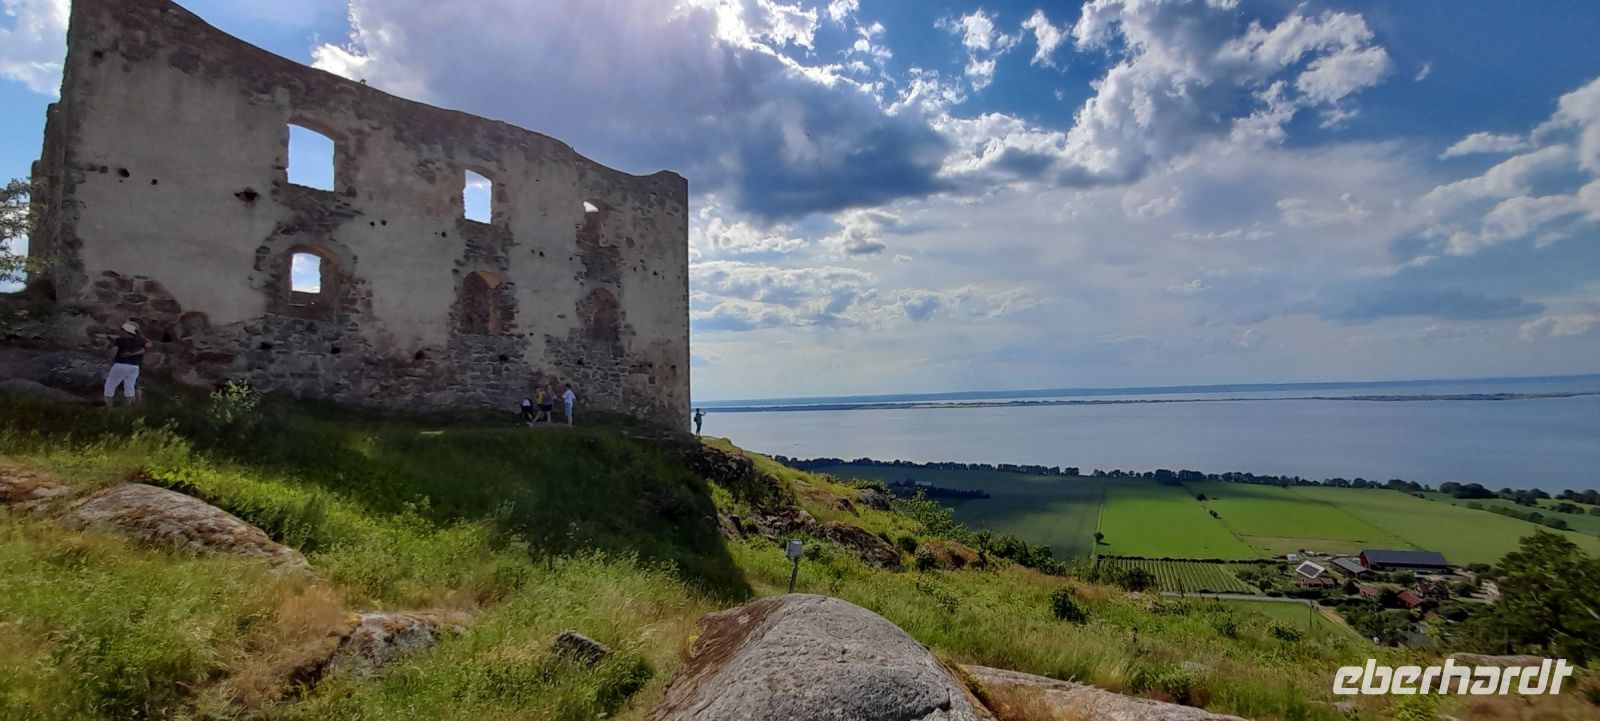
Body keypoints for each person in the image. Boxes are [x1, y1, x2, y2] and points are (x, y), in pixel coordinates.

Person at [104, 321, 148, 407]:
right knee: (130, 386)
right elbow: (143, 350)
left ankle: (108, 406)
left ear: (125, 331)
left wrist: (109, 355)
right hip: (134, 366)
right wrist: (132, 354)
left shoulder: (120, 340)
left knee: (110, 384)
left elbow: (113, 351)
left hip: (121, 363)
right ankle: (127, 407)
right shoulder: (139, 341)